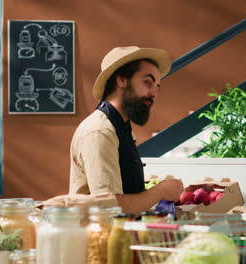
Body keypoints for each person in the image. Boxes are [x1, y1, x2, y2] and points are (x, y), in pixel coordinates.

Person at [69, 46, 184, 215]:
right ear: (121, 80)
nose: (154, 93)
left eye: (157, 86)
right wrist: (159, 191)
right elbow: (110, 209)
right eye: (147, 82)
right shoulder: (100, 132)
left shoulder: (121, 126)